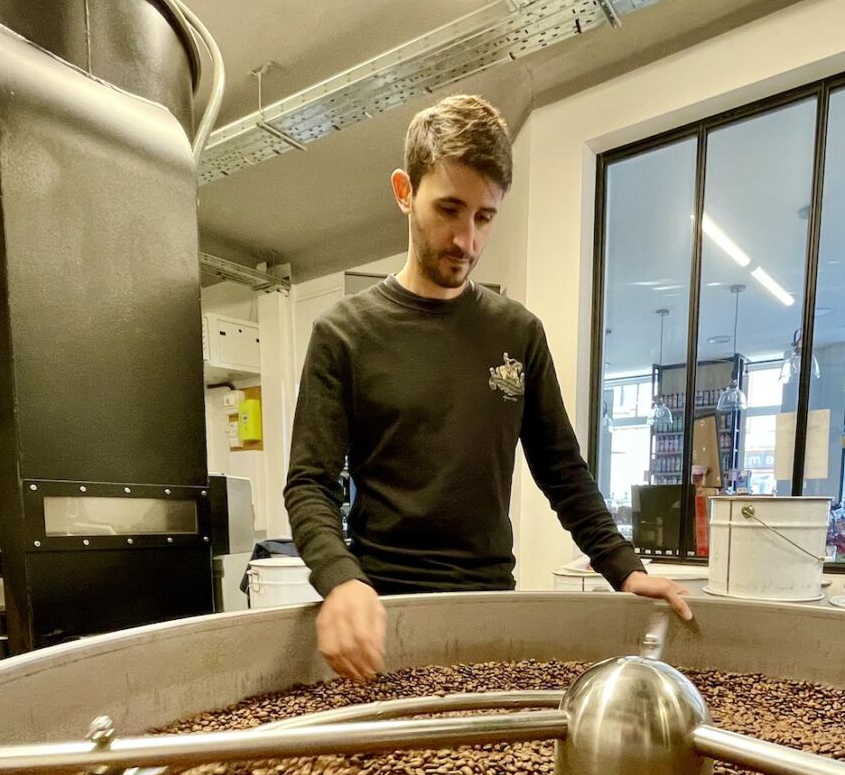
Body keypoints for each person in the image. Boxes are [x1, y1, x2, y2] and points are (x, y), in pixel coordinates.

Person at [285, 94, 692, 681]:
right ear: (404, 191)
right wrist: (339, 577)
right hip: (383, 611)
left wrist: (624, 566)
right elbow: (309, 484)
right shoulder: (344, 334)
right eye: (449, 209)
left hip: (488, 606)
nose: (467, 240)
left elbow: (561, 468)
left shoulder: (517, 332)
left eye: (485, 216)